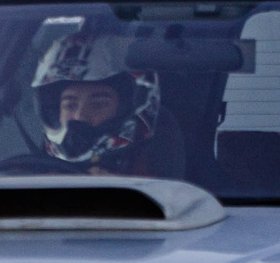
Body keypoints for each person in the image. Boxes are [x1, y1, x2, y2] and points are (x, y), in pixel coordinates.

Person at [31, 33, 183, 179]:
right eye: (70, 105)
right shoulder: (31, 178)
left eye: (98, 105)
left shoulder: (156, 176)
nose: (79, 116)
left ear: (127, 110)